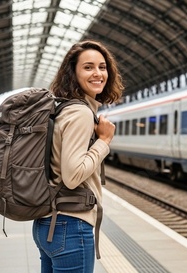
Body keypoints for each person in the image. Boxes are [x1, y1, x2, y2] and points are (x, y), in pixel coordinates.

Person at [32, 40, 123, 273]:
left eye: (102, 67)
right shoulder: (80, 112)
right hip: (70, 226)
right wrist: (104, 142)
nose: (98, 73)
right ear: (72, 72)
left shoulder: (61, 108)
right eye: (88, 67)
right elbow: (72, 176)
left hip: (47, 222)